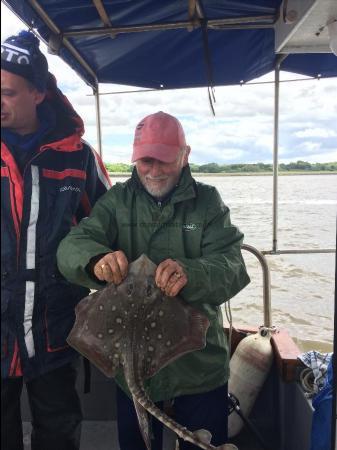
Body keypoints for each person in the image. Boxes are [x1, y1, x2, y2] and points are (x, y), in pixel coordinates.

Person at [57, 111, 250, 450]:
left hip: (198, 363)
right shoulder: (117, 201)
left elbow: (233, 264)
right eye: (145, 160)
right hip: (129, 363)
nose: (154, 170)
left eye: (164, 160)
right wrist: (95, 261)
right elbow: (73, 245)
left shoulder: (208, 203)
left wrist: (193, 272)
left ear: (185, 155)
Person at [1, 30, 111, 450]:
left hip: (55, 329)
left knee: (60, 436)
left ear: (39, 92)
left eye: (8, 92)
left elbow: (109, 227)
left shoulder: (78, 157)